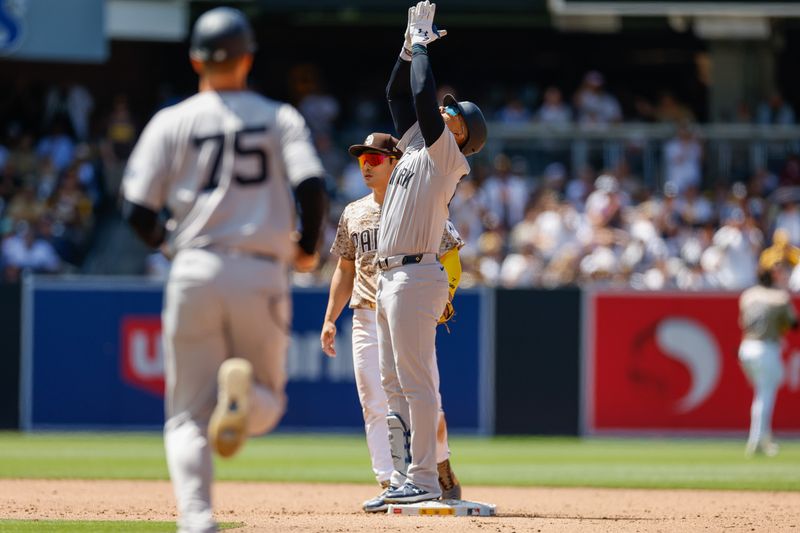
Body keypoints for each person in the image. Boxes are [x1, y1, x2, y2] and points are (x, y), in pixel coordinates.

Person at [121, 8, 328, 532]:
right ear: (248, 57)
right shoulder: (279, 117)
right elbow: (311, 187)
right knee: (269, 400)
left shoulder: (172, 120)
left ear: (195, 59)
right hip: (261, 268)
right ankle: (243, 400)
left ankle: (197, 520)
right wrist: (305, 248)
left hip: (195, 265)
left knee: (186, 415)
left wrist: (170, 247)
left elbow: (136, 210)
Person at [368, 1, 487, 506]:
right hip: (390, 275)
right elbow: (398, 91)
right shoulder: (418, 143)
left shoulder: (447, 155)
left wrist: (421, 47)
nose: (444, 108)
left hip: (418, 273)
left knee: (415, 384)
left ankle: (421, 477)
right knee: (394, 384)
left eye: (452, 112)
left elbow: (420, 93)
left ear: (462, 134)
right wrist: (405, 45)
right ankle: (403, 479)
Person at [320, 132, 463, 512]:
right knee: (373, 400)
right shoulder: (354, 211)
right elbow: (344, 267)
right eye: (361, 158)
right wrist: (330, 317)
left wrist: (446, 294)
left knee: (422, 390)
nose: (366, 164)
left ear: (395, 162)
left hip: (407, 303)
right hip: (366, 311)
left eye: (375, 158)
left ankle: (438, 462)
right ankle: (388, 479)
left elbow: (451, 253)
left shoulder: (418, 201)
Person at [738, 251, 798, 457]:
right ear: (772, 276)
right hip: (766, 348)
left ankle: (763, 438)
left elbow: (742, 321)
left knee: (761, 394)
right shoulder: (779, 297)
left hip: (746, 348)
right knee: (765, 395)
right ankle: (757, 441)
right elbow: (793, 324)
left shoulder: (748, 295)